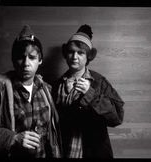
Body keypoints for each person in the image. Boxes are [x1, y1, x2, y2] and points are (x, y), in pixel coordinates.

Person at [0, 25, 61, 159]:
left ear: (40, 60)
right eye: (21, 57)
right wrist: (13, 138)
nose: (26, 63)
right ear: (13, 60)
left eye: (32, 57)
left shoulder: (46, 90)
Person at [52, 24, 124, 158]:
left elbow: (116, 118)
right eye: (71, 51)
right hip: (64, 151)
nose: (74, 56)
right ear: (65, 54)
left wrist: (91, 94)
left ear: (88, 57)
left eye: (80, 53)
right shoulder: (56, 85)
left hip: (94, 152)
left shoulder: (99, 82)